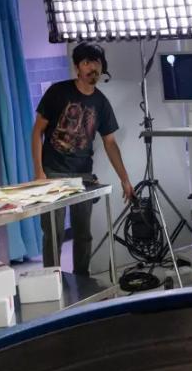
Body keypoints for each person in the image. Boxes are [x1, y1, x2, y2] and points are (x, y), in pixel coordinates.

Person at [31, 42, 134, 276]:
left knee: (83, 234)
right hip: (53, 172)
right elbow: (37, 131)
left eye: (96, 63)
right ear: (77, 67)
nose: (92, 68)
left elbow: (110, 143)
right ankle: (52, 281)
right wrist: (39, 173)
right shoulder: (58, 92)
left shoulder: (101, 103)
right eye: (86, 63)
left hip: (83, 176)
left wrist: (125, 180)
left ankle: (82, 280)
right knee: (53, 234)